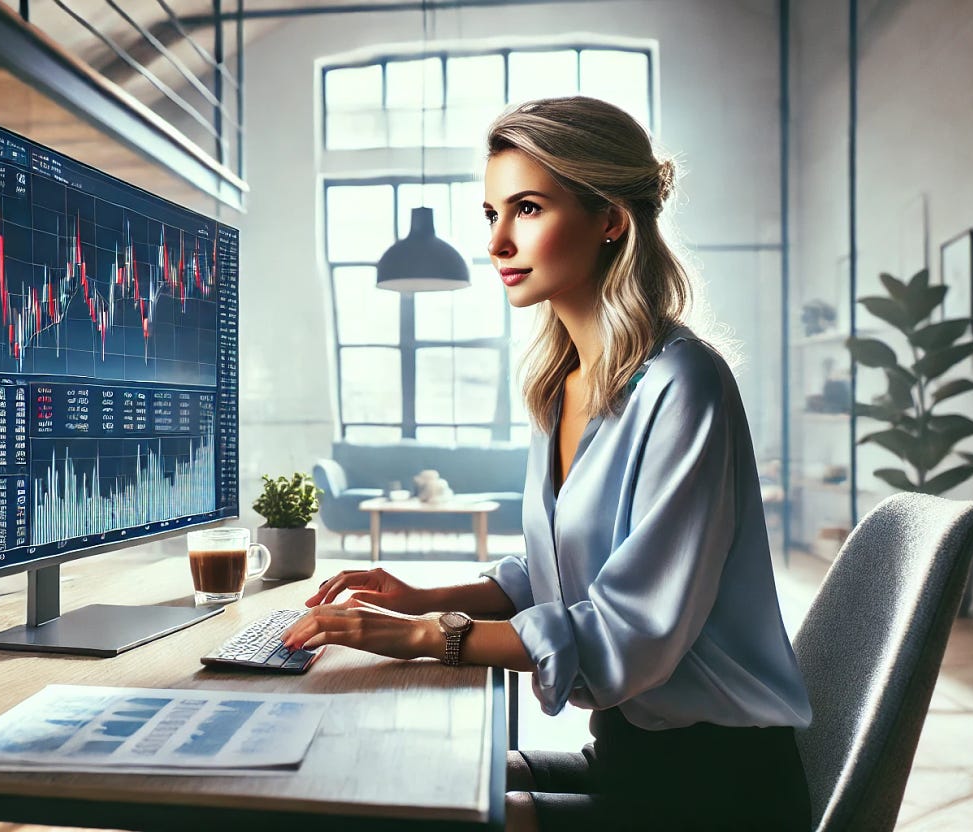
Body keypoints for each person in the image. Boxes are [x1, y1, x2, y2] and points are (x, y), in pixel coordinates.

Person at [282, 96, 813, 831]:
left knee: (414, 817)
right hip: (629, 756)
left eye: (527, 209)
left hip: (718, 790)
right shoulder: (561, 383)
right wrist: (416, 594)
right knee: (389, 782)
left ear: (610, 219)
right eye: (491, 214)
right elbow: (553, 572)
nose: (498, 242)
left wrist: (428, 635)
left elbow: (632, 635)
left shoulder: (687, 384)